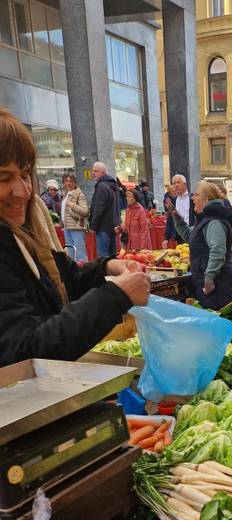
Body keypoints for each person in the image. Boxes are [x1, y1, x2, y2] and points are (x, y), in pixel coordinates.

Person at [0, 107, 149, 366]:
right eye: (4, 178)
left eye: (25, 175)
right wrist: (115, 296)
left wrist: (108, 267)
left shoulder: (27, 231)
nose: (23, 191)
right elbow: (24, 353)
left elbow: (66, 279)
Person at [166, 180, 232, 310]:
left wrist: (209, 278)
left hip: (218, 285)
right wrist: (176, 217)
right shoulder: (205, 219)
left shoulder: (214, 222)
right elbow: (191, 237)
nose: (193, 198)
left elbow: (218, 251)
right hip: (207, 282)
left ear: (205, 199)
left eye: (196, 195)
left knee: (217, 321)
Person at [89, 162, 120, 258]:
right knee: (112, 256)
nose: (93, 173)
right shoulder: (112, 185)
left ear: (103, 173)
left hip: (103, 227)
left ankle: (106, 273)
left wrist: (93, 226)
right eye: (93, 170)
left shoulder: (102, 186)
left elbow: (99, 208)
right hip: (112, 226)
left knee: (103, 257)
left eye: (96, 171)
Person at [61, 173, 89, 262]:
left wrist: (72, 205)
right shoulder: (66, 193)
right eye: (66, 181)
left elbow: (85, 211)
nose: (68, 183)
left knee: (80, 255)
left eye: (71, 181)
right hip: (67, 227)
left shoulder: (79, 194)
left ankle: (84, 273)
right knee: (70, 253)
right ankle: (74, 273)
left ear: (75, 183)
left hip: (77, 227)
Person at [165, 174, 195, 245]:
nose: (176, 185)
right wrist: (166, 238)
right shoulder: (173, 200)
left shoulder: (193, 198)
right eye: (174, 183)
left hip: (192, 232)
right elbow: (170, 219)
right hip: (179, 234)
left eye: (178, 182)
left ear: (185, 184)